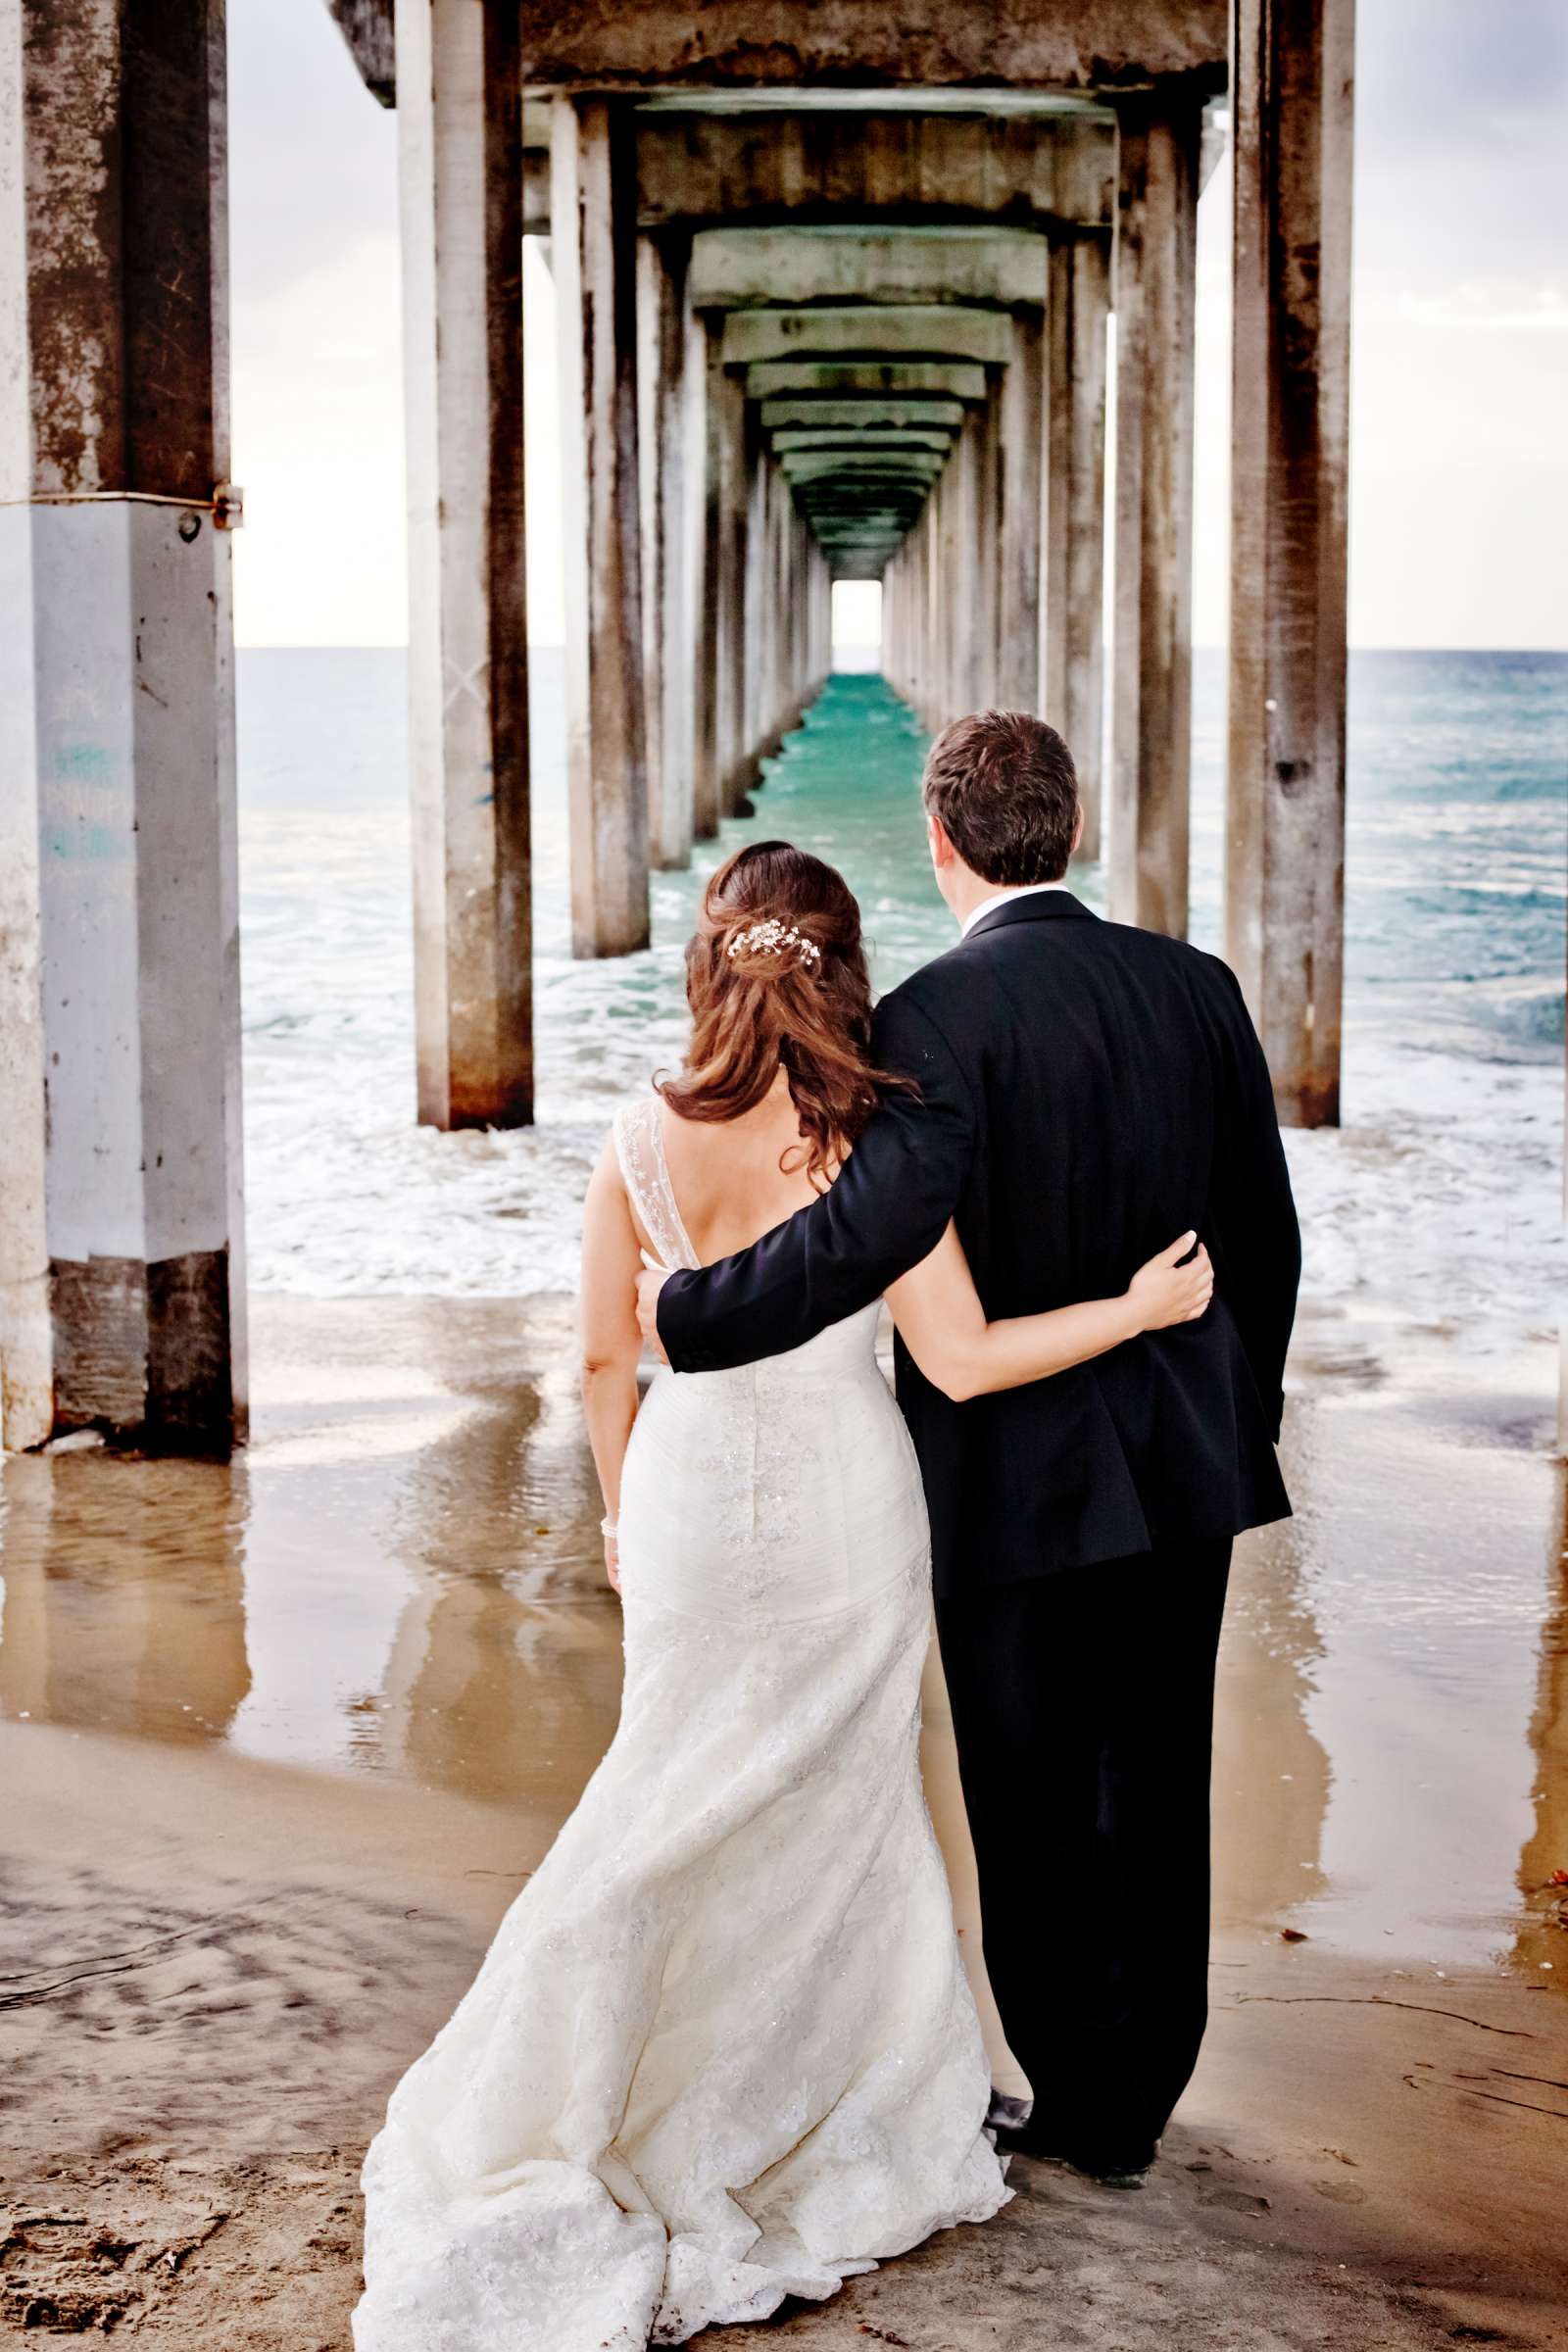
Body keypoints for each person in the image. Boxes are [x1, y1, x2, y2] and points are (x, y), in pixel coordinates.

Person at [353, 838, 1214, 2352]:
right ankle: (834, 2101)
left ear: (708, 963)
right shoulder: (867, 1142)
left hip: (685, 1505)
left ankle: (577, 2081)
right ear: (841, 968)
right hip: (844, 1505)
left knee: (668, 1781)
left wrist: (623, 1516)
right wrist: (1134, 1310)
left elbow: (606, 1363)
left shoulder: (632, 1138)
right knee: (839, 1801)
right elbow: (960, 1359)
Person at [641, 711, 1300, 2184]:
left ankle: (1077, 2097)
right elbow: (1266, 1232)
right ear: (1074, 826)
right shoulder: (1199, 987)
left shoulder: (937, 1017)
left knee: (1033, 1785)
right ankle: (1143, 2091)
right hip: (1185, 1465)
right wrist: (1231, 1417)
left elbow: (869, 1233)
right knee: (1159, 1776)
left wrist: (695, 1315)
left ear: (941, 843)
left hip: (1013, 1468)